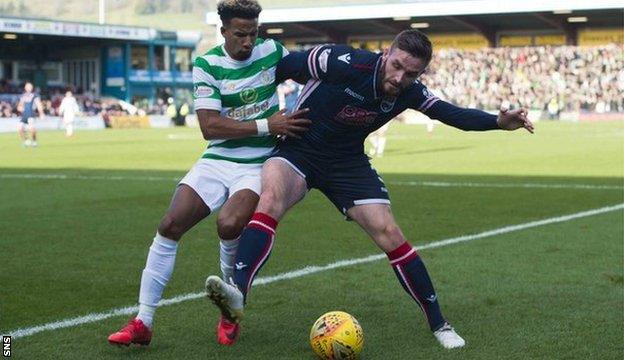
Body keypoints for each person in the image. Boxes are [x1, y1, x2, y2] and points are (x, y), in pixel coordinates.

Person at [204, 29, 534, 349]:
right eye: (397, 66)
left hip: (347, 163)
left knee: (389, 231)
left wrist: (497, 122)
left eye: (411, 73)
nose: (400, 78)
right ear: (386, 54)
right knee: (271, 197)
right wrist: (265, 116)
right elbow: (281, 67)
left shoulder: (410, 92)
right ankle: (236, 298)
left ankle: (440, 324)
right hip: (299, 148)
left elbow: (452, 114)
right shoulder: (341, 61)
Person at [107, 0, 310, 347]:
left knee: (229, 224)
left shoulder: (272, 51)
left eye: (253, 33)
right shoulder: (207, 64)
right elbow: (210, 126)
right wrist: (267, 124)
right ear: (224, 31)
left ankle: (230, 308)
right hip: (217, 159)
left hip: (257, 164)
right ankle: (143, 320)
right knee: (170, 224)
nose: (248, 42)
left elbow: (311, 76)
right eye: (240, 34)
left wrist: (294, 115)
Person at [16, 82, 44, 147]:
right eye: (27, 87)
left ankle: (34, 141)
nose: (29, 88)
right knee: (20, 129)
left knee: (32, 129)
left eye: (30, 87)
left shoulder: (34, 96)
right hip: (24, 115)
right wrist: (19, 108)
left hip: (31, 114)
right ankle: (26, 141)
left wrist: (41, 113)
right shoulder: (23, 96)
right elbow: (19, 105)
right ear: (25, 88)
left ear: (32, 88)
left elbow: (39, 105)